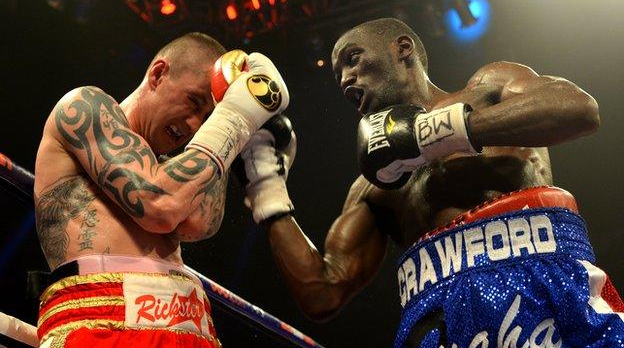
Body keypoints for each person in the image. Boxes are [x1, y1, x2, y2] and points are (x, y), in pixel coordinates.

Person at [235, 18, 624, 347]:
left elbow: (579, 109)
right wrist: (265, 187)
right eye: (338, 74)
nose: (346, 78)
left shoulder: (488, 88)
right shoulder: (373, 186)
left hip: (538, 279)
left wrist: (436, 132)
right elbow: (323, 292)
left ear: (402, 49)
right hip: (437, 316)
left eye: (353, 60)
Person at [33, 32, 289, 348]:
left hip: (191, 325)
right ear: (157, 74)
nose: (196, 125)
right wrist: (235, 118)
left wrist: (236, 132)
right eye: (194, 101)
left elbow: (199, 224)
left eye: (209, 118)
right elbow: (158, 205)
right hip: (103, 321)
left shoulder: (169, 169)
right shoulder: (87, 107)